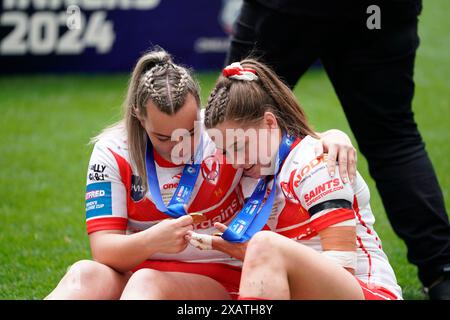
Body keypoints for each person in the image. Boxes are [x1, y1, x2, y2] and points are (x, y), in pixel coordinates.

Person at [45, 48, 355, 300]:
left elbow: (279, 139)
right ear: (139, 118)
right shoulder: (112, 151)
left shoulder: (218, 135)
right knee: (83, 276)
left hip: (215, 278)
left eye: (189, 131)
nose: (181, 144)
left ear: (199, 112)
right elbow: (104, 251)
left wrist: (331, 135)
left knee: (146, 283)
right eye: (163, 137)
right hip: (136, 271)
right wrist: (153, 240)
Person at [225, 0, 450, 299]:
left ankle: (239, 260)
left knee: (234, 115)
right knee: (393, 138)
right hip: (378, 10)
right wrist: (323, 136)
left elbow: (227, 127)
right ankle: (441, 272)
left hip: (291, 8)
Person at [189, 59, 402, 300]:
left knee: (265, 244)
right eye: (226, 151)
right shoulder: (251, 173)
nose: (235, 161)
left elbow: (341, 268)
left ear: (270, 123)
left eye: (240, 146)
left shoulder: (317, 162)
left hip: (368, 292)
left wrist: (259, 252)